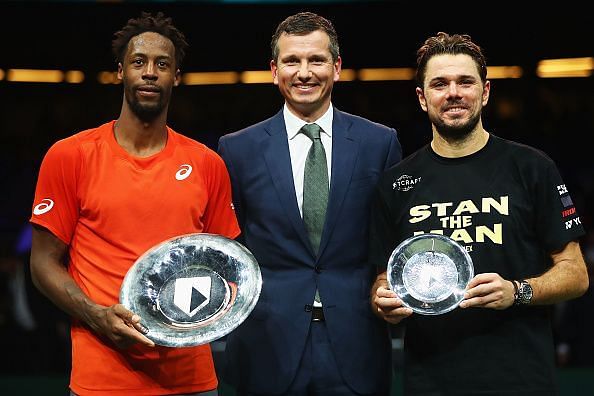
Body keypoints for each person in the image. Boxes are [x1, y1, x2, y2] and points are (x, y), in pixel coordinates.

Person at [29, 12, 239, 396]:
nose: (149, 72)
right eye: (138, 62)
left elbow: (226, 266)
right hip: (102, 378)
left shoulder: (208, 164)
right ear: (120, 71)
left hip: (190, 379)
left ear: (176, 77)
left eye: (163, 64)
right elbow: (42, 262)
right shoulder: (69, 156)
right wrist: (96, 315)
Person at [369, 31, 589, 395]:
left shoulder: (531, 167)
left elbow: (576, 274)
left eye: (465, 82)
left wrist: (517, 291)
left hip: (522, 380)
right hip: (430, 382)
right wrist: (384, 303)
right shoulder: (395, 183)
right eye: (440, 84)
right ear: (423, 99)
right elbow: (382, 281)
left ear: (485, 92)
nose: (453, 93)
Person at [217, 11, 402, 396]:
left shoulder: (379, 143)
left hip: (357, 342)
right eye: (292, 61)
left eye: (316, 60)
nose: (304, 72)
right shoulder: (237, 149)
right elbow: (231, 247)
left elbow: (392, 238)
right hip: (268, 343)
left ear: (336, 68)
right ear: (273, 70)